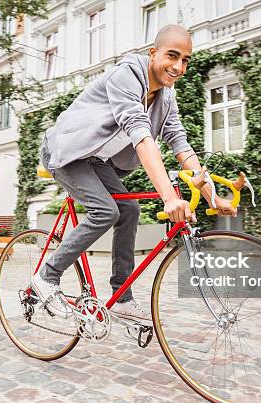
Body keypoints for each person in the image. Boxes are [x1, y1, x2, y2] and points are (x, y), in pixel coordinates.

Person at [35, 25, 237, 324]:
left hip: (95, 160)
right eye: (172, 55)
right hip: (66, 152)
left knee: (129, 209)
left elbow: (180, 144)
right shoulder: (126, 74)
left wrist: (212, 195)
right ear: (153, 53)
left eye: (185, 60)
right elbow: (141, 135)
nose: (179, 67)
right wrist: (168, 196)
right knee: (105, 211)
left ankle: (122, 298)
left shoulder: (167, 97)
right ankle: (47, 277)